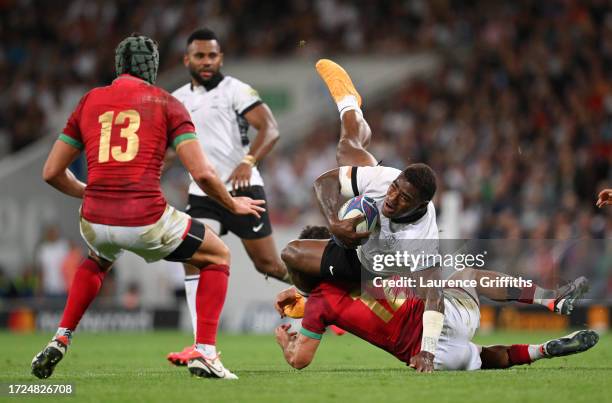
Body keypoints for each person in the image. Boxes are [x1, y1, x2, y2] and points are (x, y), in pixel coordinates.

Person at [30, 34, 266, 380]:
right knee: (217, 255)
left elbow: (51, 171)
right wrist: (231, 203)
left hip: (95, 218)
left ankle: (60, 337)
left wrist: (90, 192)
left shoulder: (90, 100)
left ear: (118, 65)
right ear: (152, 67)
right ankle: (206, 352)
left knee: (98, 258)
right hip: (145, 218)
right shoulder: (167, 103)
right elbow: (201, 172)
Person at [274, 228, 598, 371]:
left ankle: (542, 352)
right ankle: (550, 300)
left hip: (425, 356)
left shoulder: (319, 302)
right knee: (469, 274)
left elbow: (300, 359)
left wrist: (284, 342)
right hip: (442, 316)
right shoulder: (367, 262)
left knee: (484, 358)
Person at [167, 28, 288, 366]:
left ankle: (321, 293)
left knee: (268, 264)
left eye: (212, 56)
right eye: (200, 56)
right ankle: (200, 346)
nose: (207, 62)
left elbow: (271, 128)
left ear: (220, 58)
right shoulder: (176, 100)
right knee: (193, 256)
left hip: (244, 188)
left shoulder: (236, 90)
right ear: (186, 60)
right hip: (204, 193)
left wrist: (249, 161)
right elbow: (173, 150)